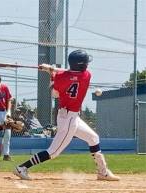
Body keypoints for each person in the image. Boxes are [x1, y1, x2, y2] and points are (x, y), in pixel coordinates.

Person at [13, 50, 120, 181]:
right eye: (85, 63)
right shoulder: (87, 76)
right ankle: (22, 167)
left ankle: (102, 172)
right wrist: (53, 71)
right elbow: (73, 76)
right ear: (81, 65)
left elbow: (55, 94)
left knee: (93, 138)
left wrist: (52, 74)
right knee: (53, 152)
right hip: (69, 119)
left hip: (69, 116)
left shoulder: (61, 77)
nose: (87, 65)